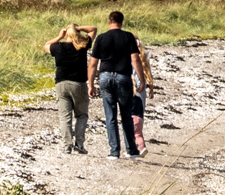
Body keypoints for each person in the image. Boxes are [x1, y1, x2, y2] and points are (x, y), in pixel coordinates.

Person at [88, 10, 151, 159]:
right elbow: (135, 59)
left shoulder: (101, 38)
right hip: (123, 77)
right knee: (126, 114)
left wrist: (90, 84)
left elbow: (92, 64)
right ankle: (131, 149)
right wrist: (141, 79)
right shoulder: (128, 36)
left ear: (109, 22)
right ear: (121, 22)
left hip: (105, 76)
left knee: (110, 116)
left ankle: (114, 151)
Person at [45, 24, 95, 154]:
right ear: (77, 34)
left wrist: (59, 36)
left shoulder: (59, 47)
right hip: (79, 83)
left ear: (66, 34)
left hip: (62, 83)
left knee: (65, 116)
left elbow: (46, 45)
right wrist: (79, 29)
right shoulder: (83, 45)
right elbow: (93, 29)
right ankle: (79, 143)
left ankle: (67, 145)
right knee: (81, 115)